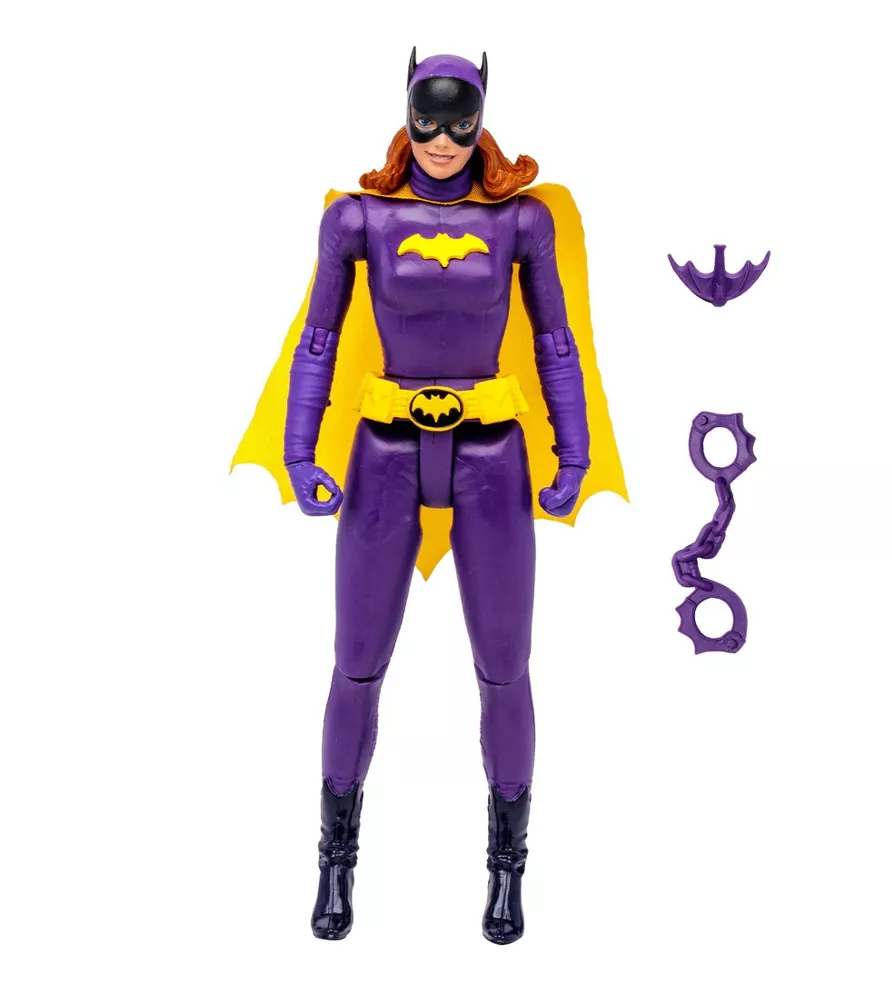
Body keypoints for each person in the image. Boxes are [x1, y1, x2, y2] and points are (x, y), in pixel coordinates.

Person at [233, 48, 625, 945]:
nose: (443, 138)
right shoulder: (358, 219)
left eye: (460, 120)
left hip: (492, 451)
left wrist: (575, 451)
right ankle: (334, 861)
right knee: (356, 663)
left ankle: (507, 870)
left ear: (482, 117)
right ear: (405, 112)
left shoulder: (521, 221)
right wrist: (298, 450)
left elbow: (556, 342)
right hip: (384, 450)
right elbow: (321, 340)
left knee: (505, 667)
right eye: (427, 117)